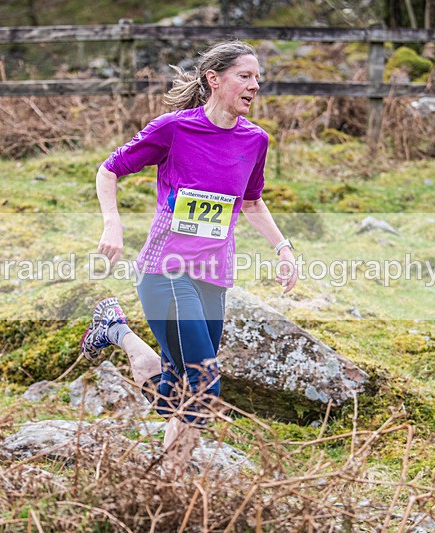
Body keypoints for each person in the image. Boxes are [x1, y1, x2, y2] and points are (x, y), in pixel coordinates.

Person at [80, 40, 298, 477]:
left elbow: (252, 203)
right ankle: (172, 485)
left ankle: (120, 334)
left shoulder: (255, 140)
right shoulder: (174, 129)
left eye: (258, 78)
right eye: (245, 76)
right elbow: (109, 170)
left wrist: (283, 247)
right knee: (203, 382)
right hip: (165, 272)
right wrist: (112, 225)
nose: (255, 85)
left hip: (213, 277)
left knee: (181, 387)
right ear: (213, 79)